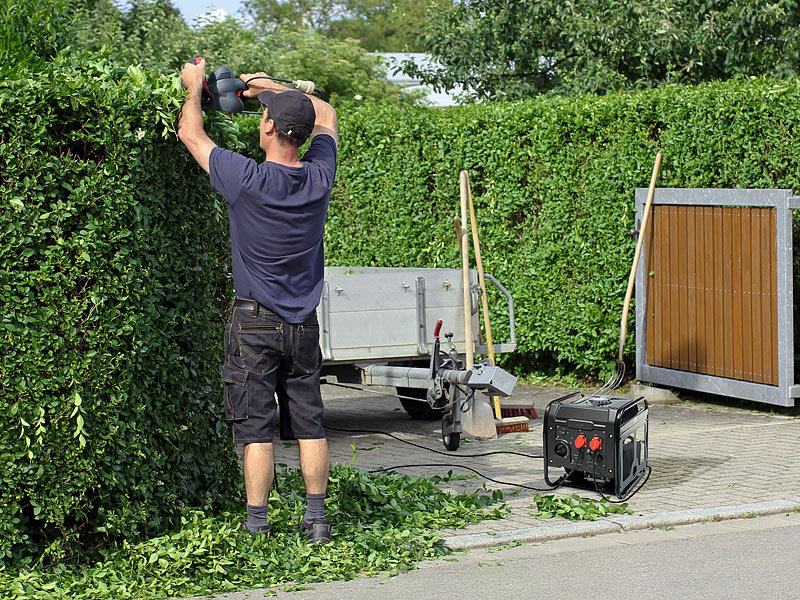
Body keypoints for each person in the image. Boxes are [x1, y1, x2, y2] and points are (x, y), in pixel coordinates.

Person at [178, 58, 338, 544]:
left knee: (256, 430)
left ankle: (257, 525)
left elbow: (191, 132)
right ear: (301, 136)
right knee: (310, 423)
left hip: (253, 324)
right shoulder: (318, 177)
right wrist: (270, 90)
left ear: (267, 128)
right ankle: (316, 521)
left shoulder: (244, 177)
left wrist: (192, 87)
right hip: (303, 324)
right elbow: (326, 113)